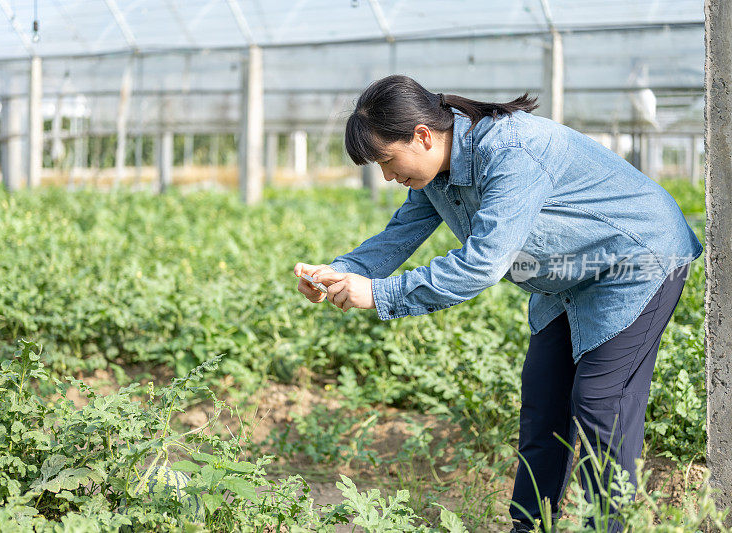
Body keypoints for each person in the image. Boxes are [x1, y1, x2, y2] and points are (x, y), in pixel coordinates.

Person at [293, 75, 703, 531]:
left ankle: (613, 527)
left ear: (423, 135)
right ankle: (528, 527)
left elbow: (480, 265)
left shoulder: (512, 151)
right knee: (544, 403)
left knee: (600, 403)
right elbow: (397, 236)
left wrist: (379, 294)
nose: (388, 177)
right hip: (569, 276)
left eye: (388, 161)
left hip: (638, 260)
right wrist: (341, 270)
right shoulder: (437, 174)